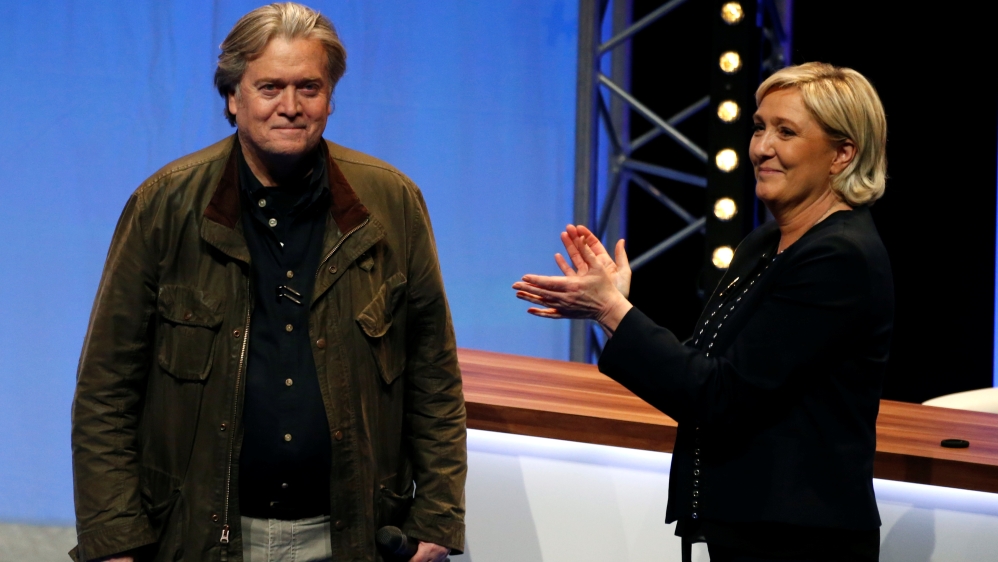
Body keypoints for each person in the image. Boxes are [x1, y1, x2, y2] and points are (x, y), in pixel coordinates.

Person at [70, 4, 466, 562]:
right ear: (233, 98)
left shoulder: (392, 203)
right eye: (270, 87)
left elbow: (434, 377)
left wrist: (439, 516)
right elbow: (105, 391)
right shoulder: (164, 205)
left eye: (309, 87)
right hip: (197, 539)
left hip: (353, 537)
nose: (290, 107)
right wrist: (114, 540)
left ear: (330, 97)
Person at [513, 62, 892, 561]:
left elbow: (720, 397)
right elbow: (701, 366)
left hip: (799, 541)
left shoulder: (839, 258)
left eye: (786, 132)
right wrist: (619, 303)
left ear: (842, 154)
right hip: (745, 531)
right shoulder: (763, 244)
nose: (761, 148)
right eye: (759, 127)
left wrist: (611, 312)